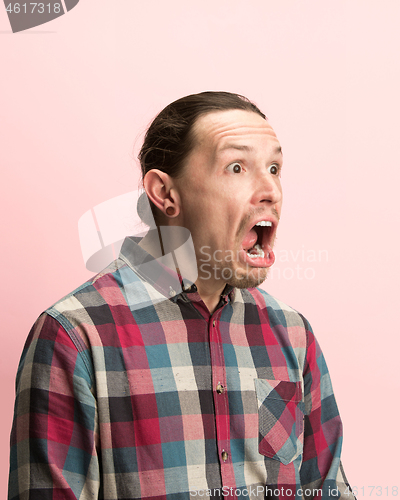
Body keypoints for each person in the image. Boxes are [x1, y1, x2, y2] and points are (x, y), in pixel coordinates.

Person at [9, 92, 355, 500]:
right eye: (237, 167)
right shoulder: (75, 337)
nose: (270, 191)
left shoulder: (292, 334)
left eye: (275, 168)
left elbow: (327, 489)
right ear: (165, 193)